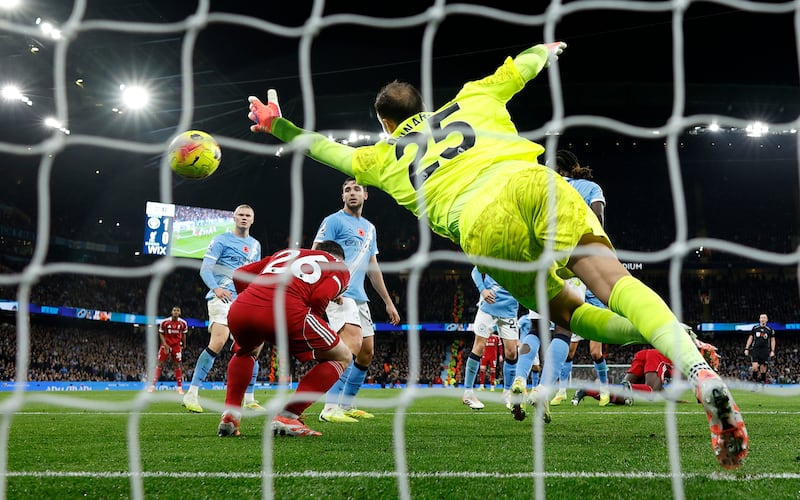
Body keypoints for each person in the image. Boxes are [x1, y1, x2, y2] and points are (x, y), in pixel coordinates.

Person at [247, 41, 748, 469]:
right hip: (533, 182)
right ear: (423, 103)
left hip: (484, 227)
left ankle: (670, 339)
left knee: (570, 314)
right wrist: (544, 51)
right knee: (611, 280)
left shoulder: (377, 157)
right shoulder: (473, 97)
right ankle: (691, 362)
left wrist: (277, 125)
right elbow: (519, 68)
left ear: (384, 123)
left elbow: (321, 147)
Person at [218, 241, 352, 437]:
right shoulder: (339, 266)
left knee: (247, 350)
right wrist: (306, 324)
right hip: (287, 311)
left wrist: (254, 302)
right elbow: (319, 297)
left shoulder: (286, 252)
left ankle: (230, 415)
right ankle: (289, 415)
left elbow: (239, 274)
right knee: (342, 356)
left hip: (241, 309)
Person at [314, 178, 401, 423]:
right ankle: (329, 408)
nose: (352, 193)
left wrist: (388, 301)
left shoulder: (370, 228)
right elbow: (315, 252)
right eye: (347, 190)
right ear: (342, 197)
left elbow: (373, 267)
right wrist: (328, 284)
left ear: (366, 195)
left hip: (360, 297)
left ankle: (348, 404)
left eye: (356, 189)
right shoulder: (333, 221)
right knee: (349, 346)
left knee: (366, 352)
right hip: (339, 294)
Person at [183, 204, 263, 413]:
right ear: (234, 218)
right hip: (223, 298)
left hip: (244, 300)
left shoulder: (256, 245)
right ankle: (191, 393)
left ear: (253, 220)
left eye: (248, 215)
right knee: (219, 340)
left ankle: (250, 398)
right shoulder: (221, 240)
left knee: (253, 346)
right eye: (241, 215)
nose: (244, 218)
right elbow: (205, 269)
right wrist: (216, 288)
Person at [550, 151, 610, 407]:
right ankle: (560, 390)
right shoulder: (592, 188)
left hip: (566, 265)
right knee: (571, 347)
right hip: (587, 265)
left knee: (588, 347)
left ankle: (604, 389)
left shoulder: (549, 187)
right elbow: (599, 221)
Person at [574, 336, 721, 406]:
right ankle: (629, 388)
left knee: (622, 396)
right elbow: (699, 389)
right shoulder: (693, 365)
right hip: (657, 357)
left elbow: (662, 390)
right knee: (651, 390)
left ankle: (588, 390)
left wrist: (674, 400)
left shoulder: (687, 354)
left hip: (644, 354)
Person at [461, 267, 521, 419]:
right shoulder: (493, 251)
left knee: (512, 352)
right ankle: (468, 393)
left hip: (510, 310)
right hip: (488, 307)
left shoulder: (521, 256)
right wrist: (483, 290)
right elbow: (475, 271)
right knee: (479, 346)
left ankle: (507, 393)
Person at [148, 306, 189, 394]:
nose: (176, 312)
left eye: (178, 311)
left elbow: (184, 334)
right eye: (174, 310)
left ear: (180, 313)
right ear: (171, 312)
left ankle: (179, 387)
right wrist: (165, 344)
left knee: (177, 365)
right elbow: (161, 333)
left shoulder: (183, 323)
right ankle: (152, 386)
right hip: (166, 345)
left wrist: (184, 344)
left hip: (176, 346)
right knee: (160, 364)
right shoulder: (164, 322)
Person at [744, 313, 776, 386]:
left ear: (767, 320)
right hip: (755, 349)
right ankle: (754, 383)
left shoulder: (770, 330)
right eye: (761, 318)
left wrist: (772, 351)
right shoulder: (755, 328)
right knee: (754, 367)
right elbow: (750, 338)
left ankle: (762, 384)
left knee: (763, 369)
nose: (763, 319)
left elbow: (772, 340)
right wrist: (746, 348)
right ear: (759, 319)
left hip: (765, 350)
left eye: (764, 318)